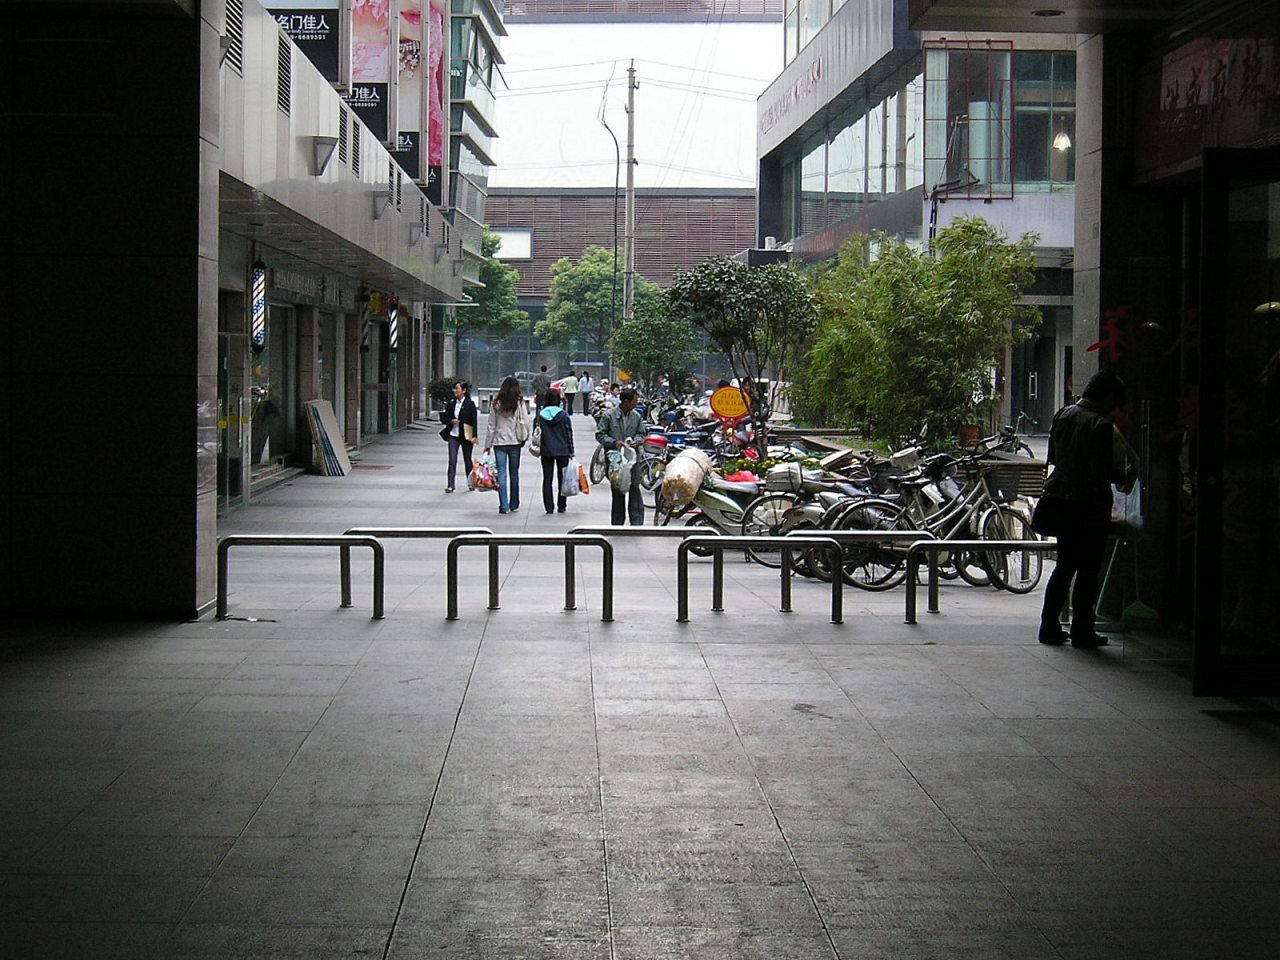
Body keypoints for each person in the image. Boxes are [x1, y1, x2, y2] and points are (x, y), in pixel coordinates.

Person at [1038, 370, 1137, 648]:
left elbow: (1054, 457)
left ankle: (1049, 625)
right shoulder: (1100, 426)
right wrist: (1126, 475)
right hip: (1089, 506)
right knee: (1089, 571)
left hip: (1061, 501)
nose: (1114, 409)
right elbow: (1102, 471)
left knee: (1064, 566)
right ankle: (1083, 629)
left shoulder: (1062, 415)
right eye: (1113, 402)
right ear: (1106, 397)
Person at [596, 387, 646, 526]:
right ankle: (617, 522)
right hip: (616, 460)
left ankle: (637, 521)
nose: (636, 404)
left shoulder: (636, 416)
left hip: (633, 459)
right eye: (634, 401)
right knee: (617, 490)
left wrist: (637, 440)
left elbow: (642, 433)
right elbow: (600, 434)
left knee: (635, 488)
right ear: (626, 401)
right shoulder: (608, 416)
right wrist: (614, 443)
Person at [483, 376, 530, 515]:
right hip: (515, 442)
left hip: (499, 442)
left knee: (501, 474)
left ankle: (504, 506)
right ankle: (514, 503)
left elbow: (491, 425)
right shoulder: (519, 402)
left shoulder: (496, 403)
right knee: (514, 473)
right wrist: (525, 437)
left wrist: (487, 445)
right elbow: (525, 421)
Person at [536, 390, 575, 514]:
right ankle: (562, 505)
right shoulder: (563, 415)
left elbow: (536, 433)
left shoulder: (540, 415)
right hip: (562, 450)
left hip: (546, 450)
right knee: (562, 478)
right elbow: (569, 433)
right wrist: (571, 450)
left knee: (547, 479)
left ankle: (549, 507)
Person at [440, 379, 477, 493]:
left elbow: (474, 421)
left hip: (466, 434)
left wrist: (474, 436)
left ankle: (471, 483)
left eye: (457, 388)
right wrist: (451, 421)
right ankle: (450, 485)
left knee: (467, 460)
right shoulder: (452, 403)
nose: (455, 391)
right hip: (453, 435)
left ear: (464, 390)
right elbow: (444, 418)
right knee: (452, 460)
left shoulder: (470, 404)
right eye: (455, 388)